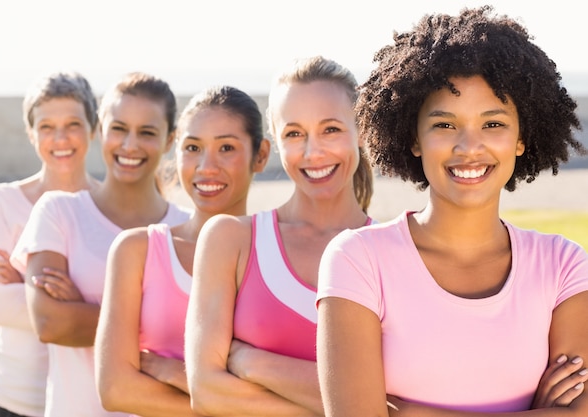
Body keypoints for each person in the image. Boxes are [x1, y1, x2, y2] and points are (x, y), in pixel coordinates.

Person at [316, 5, 588, 417]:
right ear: (414, 138)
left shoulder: (564, 265)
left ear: (521, 138)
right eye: (444, 125)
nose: (469, 146)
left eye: (493, 124)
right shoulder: (357, 260)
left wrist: (417, 414)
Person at [184, 55, 374, 416]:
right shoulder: (231, 239)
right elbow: (206, 392)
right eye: (294, 134)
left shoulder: (391, 250)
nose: (312, 152)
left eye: (331, 129)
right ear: (276, 140)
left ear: (361, 130)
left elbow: (392, 403)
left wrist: (252, 364)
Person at [10, 72, 192, 417]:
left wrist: (88, 310)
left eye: (148, 132)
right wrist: (163, 321)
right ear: (100, 130)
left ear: (170, 140)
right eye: (119, 128)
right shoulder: (59, 212)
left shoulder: (190, 227)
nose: (129, 145)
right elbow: (52, 323)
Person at [94, 85, 270, 417]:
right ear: (176, 152)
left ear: (260, 155)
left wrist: (172, 372)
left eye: (227, 148)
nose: (207, 166)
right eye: (193, 147)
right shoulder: (137, 251)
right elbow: (116, 390)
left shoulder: (281, 253)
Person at [0, 71, 99, 417]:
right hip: (14, 399)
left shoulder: (110, 206)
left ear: (94, 127)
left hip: (88, 404)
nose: (60, 138)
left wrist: (25, 280)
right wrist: (82, 300)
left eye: (73, 123)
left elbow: (137, 314)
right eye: (46, 126)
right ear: (31, 133)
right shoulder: (1, 201)